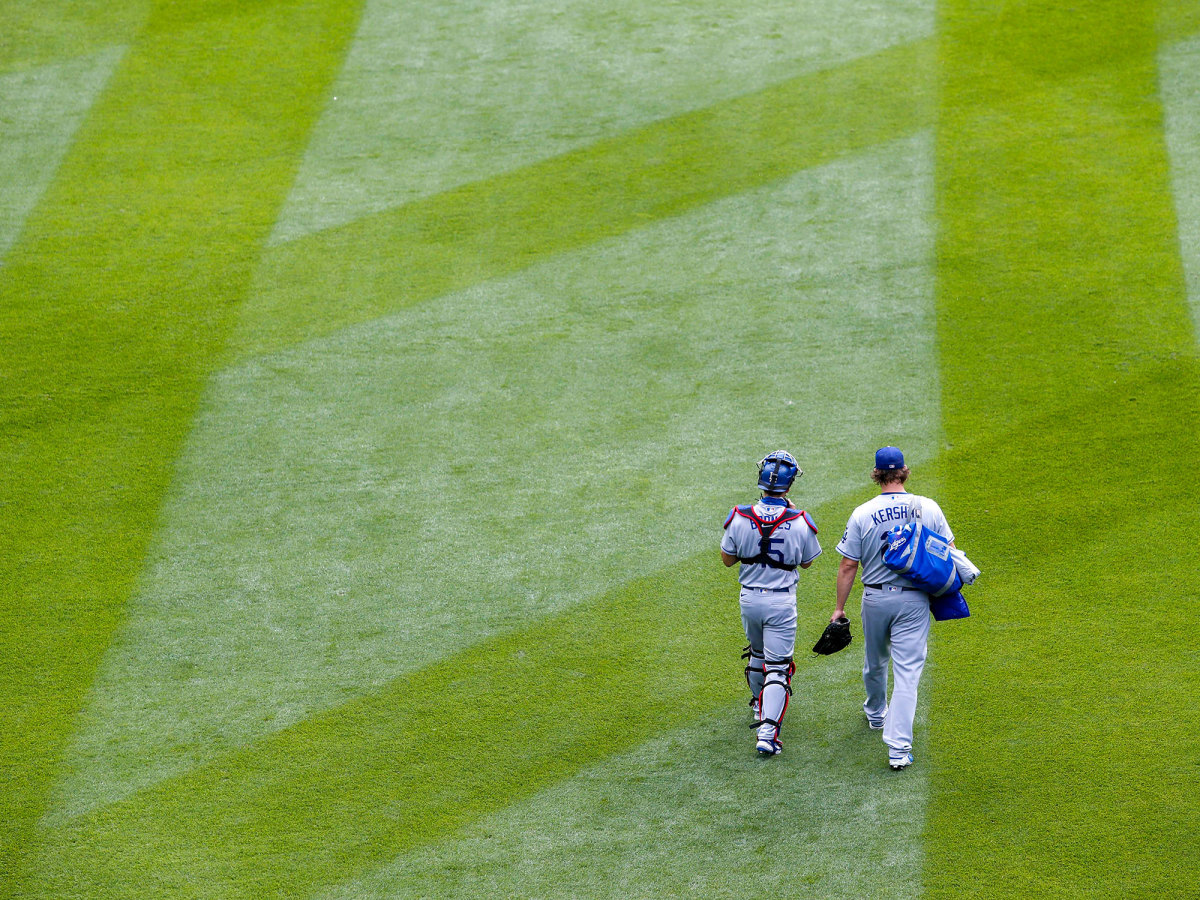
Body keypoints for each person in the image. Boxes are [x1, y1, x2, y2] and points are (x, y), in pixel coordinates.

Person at [832, 446, 954, 770]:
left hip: (874, 599)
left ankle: (875, 715)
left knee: (875, 661)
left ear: (876, 474)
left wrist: (838, 609)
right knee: (907, 675)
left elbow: (848, 566)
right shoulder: (927, 507)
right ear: (904, 472)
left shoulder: (862, 513)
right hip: (914, 600)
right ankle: (898, 751)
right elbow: (949, 554)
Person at [721, 451, 822, 756]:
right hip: (781, 603)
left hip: (749, 598)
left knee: (756, 654)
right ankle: (767, 734)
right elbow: (807, 563)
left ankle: (757, 706)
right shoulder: (801, 521)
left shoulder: (738, 515)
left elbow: (727, 559)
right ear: (789, 486)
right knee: (777, 668)